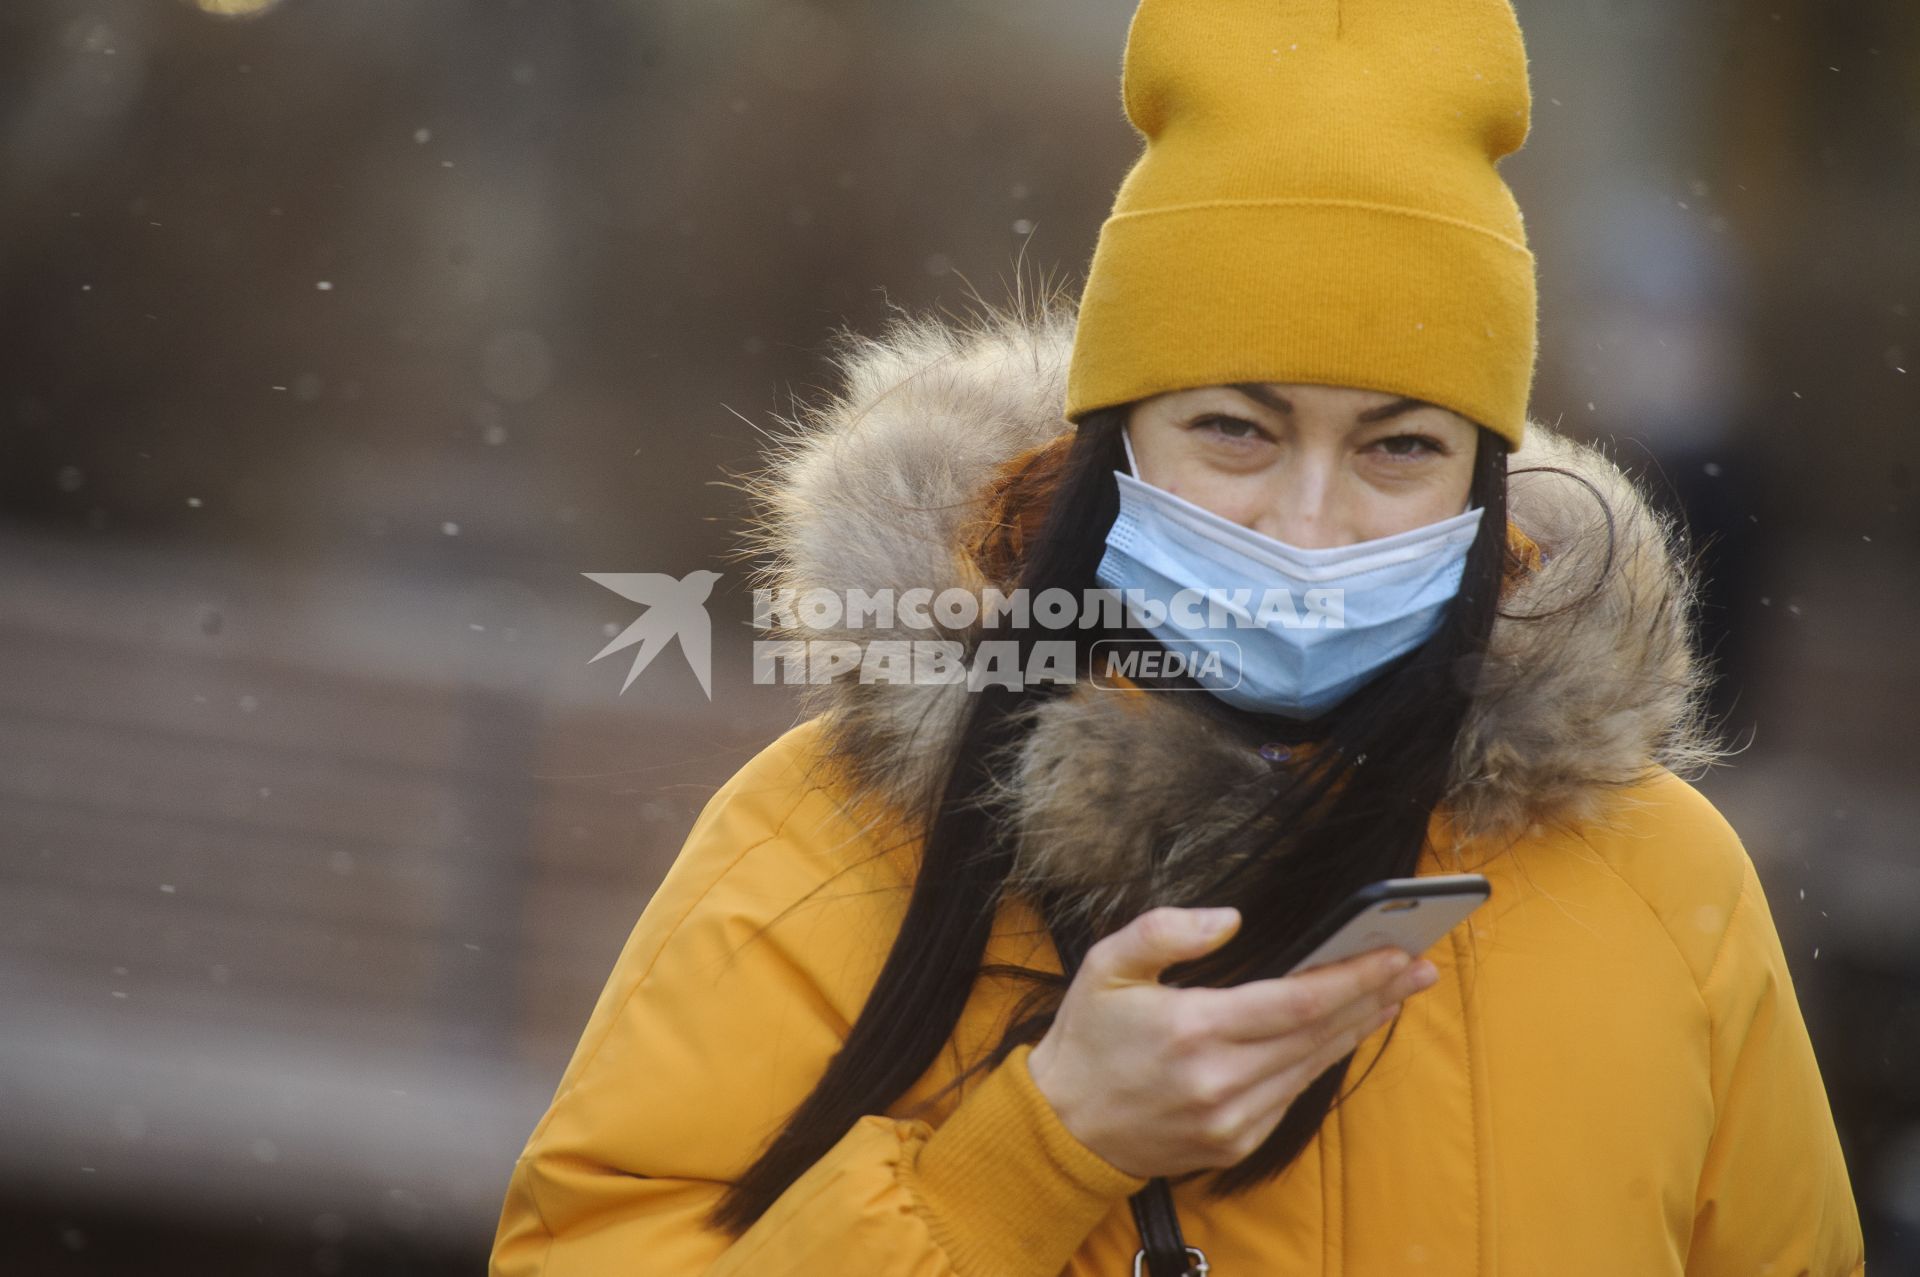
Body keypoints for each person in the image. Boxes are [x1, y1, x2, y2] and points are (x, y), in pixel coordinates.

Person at [488, 1, 1866, 1273]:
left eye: (1399, 446)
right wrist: (1037, 1148)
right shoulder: (828, 842)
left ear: (1483, 485)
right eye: (1235, 428)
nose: (1310, 522)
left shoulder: (1663, 882)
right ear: (1114, 449)